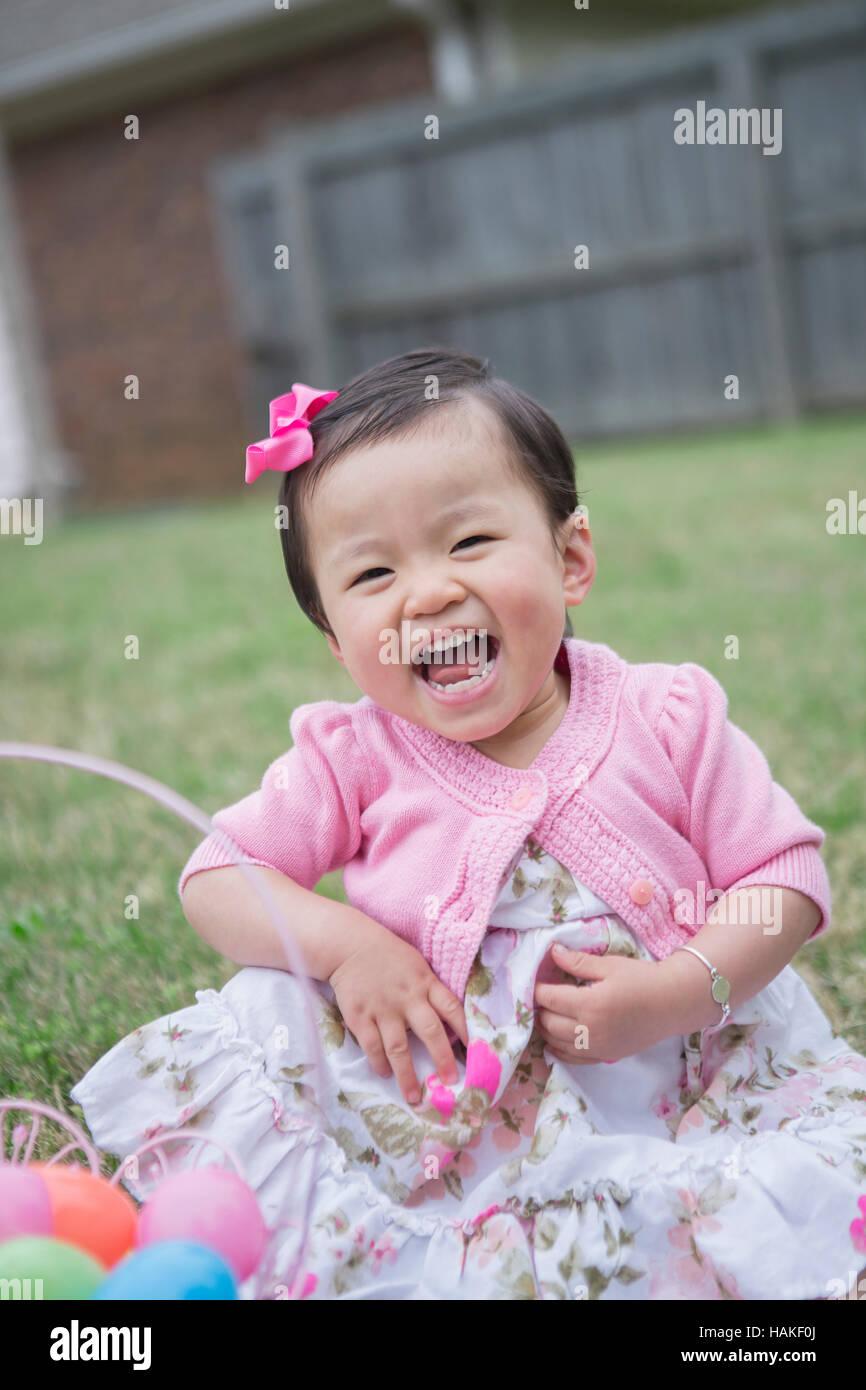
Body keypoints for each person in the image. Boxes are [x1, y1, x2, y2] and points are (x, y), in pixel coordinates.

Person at [71, 347, 866, 1301]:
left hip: (688, 1066)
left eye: (468, 542)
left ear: (570, 558)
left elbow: (783, 879)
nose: (428, 591)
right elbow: (217, 874)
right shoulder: (354, 756)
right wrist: (349, 947)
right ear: (334, 637)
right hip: (454, 1081)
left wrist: (680, 991)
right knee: (268, 1008)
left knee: (773, 1182)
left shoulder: (668, 715)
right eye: (371, 574)